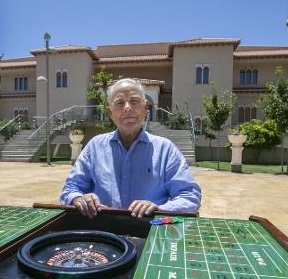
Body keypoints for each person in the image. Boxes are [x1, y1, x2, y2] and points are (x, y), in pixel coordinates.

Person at [59, 78, 201, 219]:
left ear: (145, 108)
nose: (127, 107)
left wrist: (160, 209)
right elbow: (70, 189)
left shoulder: (166, 150)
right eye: (120, 103)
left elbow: (189, 196)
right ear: (110, 112)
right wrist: (78, 199)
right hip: (103, 232)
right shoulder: (94, 147)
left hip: (150, 232)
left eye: (134, 101)